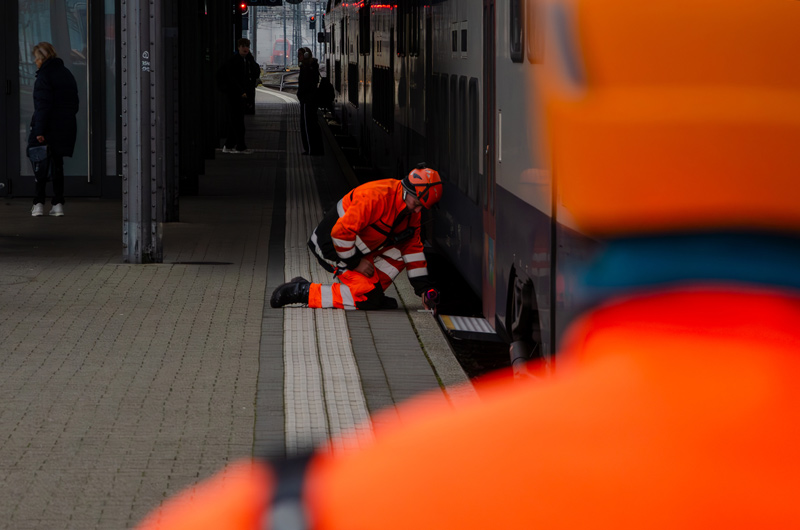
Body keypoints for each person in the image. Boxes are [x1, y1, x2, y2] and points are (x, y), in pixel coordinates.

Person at [137, 1, 800, 528]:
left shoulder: (291, 511)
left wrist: (416, 289)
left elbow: (413, 252)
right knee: (359, 291)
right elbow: (348, 236)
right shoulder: (376, 200)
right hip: (337, 249)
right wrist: (354, 262)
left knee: (357, 296)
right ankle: (308, 292)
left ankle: (304, 294)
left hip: (346, 285)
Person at [271, 165, 442, 310]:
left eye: (423, 207)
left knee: (402, 249)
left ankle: (373, 293)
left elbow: (412, 249)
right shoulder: (377, 196)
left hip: (355, 249)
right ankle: (302, 291)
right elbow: (340, 233)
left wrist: (424, 290)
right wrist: (356, 263)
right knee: (366, 299)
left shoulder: (409, 211)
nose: (418, 211)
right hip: (331, 247)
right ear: (407, 192)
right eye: (417, 204)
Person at [28, 42, 79, 217]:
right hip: (65, 126)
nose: (35, 62)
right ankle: (58, 204)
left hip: (47, 127)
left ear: (42, 58)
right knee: (57, 165)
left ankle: (38, 204)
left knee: (39, 162)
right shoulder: (66, 74)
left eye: (36, 58)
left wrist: (39, 131)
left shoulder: (44, 76)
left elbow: (43, 106)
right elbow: (75, 104)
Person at [218, 38, 254, 153]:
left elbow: (255, 71)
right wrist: (240, 90)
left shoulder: (247, 60)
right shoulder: (233, 61)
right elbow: (231, 78)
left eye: (247, 46)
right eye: (243, 46)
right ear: (238, 47)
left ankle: (229, 145)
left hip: (240, 95)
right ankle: (239, 146)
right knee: (238, 121)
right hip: (234, 95)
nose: (245, 48)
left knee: (236, 121)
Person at [296, 47, 324, 156]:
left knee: (307, 125)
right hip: (311, 99)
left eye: (300, 55)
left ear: (306, 55)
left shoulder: (307, 68)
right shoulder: (312, 67)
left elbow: (305, 84)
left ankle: (311, 149)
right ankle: (316, 149)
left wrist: (301, 95)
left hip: (307, 100)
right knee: (312, 124)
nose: (298, 57)